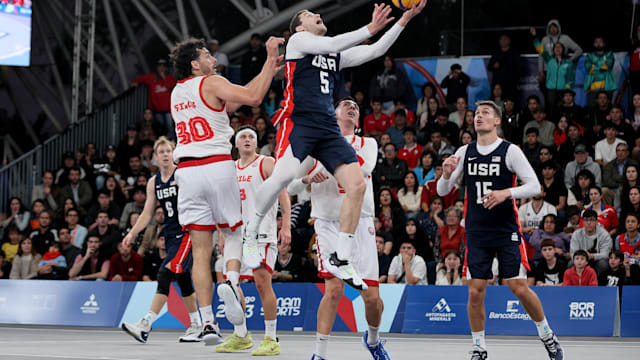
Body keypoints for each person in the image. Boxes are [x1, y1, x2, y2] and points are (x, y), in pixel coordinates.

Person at [169, 31, 283, 342]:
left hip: (187, 172)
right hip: (216, 165)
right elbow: (254, 97)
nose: (214, 60)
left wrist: (268, 70)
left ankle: (207, 323)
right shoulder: (210, 82)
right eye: (207, 56)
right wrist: (271, 62)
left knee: (202, 249)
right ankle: (231, 284)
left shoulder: (176, 93)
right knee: (234, 232)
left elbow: (221, 108)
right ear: (195, 64)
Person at [438, 100, 563, 360]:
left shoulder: (510, 150)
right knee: (474, 291)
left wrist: (506, 192)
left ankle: (547, 335)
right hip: (477, 231)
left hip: (506, 229)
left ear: (497, 121)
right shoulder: (464, 151)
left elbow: (534, 186)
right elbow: (442, 191)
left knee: (517, 287)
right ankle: (479, 347)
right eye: (476, 114)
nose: (478, 117)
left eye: (485, 113)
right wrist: (446, 174)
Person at [287, 96, 389, 360]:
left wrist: (324, 168)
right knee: (333, 291)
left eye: (355, 106)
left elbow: (363, 168)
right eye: (346, 105)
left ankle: (374, 340)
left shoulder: (368, 143)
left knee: (371, 298)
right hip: (327, 223)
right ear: (333, 115)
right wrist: (308, 177)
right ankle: (319, 354)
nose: (352, 107)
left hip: (361, 222)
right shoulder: (316, 146)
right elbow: (292, 186)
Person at [121, 137, 208, 344]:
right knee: (184, 279)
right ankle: (197, 325)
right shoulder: (154, 182)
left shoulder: (183, 174)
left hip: (187, 232)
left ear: (174, 153)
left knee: (165, 272)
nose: (166, 155)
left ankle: (145, 324)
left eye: (169, 151)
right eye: (161, 152)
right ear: (155, 157)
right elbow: (147, 212)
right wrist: (132, 233)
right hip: (169, 234)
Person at [215, 126, 292, 355]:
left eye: (251, 137)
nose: (247, 140)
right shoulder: (230, 169)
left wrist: (286, 224)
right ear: (236, 144)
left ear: (256, 143)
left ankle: (271, 338)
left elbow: (283, 193)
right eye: (243, 137)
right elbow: (225, 204)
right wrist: (221, 232)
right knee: (231, 285)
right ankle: (241, 335)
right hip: (234, 234)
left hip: (261, 233)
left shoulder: (266, 162)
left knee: (261, 284)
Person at [531, 28, 575, 115]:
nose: (558, 48)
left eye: (560, 47)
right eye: (556, 47)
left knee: (562, 110)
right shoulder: (549, 59)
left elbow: (570, 78)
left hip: (563, 90)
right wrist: (535, 37)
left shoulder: (568, 63)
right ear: (553, 50)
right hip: (551, 90)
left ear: (563, 50)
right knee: (551, 109)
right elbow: (540, 48)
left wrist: (567, 91)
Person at [133, 59, 177, 140]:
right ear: (157, 67)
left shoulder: (170, 78)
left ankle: (171, 142)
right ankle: (162, 141)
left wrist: (163, 77)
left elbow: (171, 86)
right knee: (160, 127)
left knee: (170, 126)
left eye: (163, 66)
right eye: (160, 66)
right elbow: (140, 78)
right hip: (156, 108)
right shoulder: (152, 77)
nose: (161, 68)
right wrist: (136, 82)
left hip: (168, 108)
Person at [570, 209, 612, 274]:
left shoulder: (605, 234)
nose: (589, 223)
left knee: (603, 264)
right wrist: (583, 258)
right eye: (586, 220)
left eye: (592, 220)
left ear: (596, 222)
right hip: (581, 259)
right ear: (583, 222)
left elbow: (606, 255)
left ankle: (598, 283)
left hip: (598, 260)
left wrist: (592, 256)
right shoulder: (576, 234)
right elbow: (573, 253)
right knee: (571, 263)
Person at [584, 36, 617, 106]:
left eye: (600, 42)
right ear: (593, 44)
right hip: (593, 86)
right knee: (592, 108)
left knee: (607, 109)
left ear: (604, 44)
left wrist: (595, 66)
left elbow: (607, 66)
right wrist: (602, 64)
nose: (598, 44)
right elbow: (588, 67)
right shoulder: (589, 55)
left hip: (607, 86)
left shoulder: (609, 54)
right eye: (596, 42)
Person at [487, 34, 520, 100]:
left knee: (510, 101)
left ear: (509, 41)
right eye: (501, 39)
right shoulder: (496, 53)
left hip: (510, 84)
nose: (503, 41)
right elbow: (489, 67)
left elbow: (519, 67)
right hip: (498, 83)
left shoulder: (514, 53)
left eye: (505, 39)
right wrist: (494, 66)